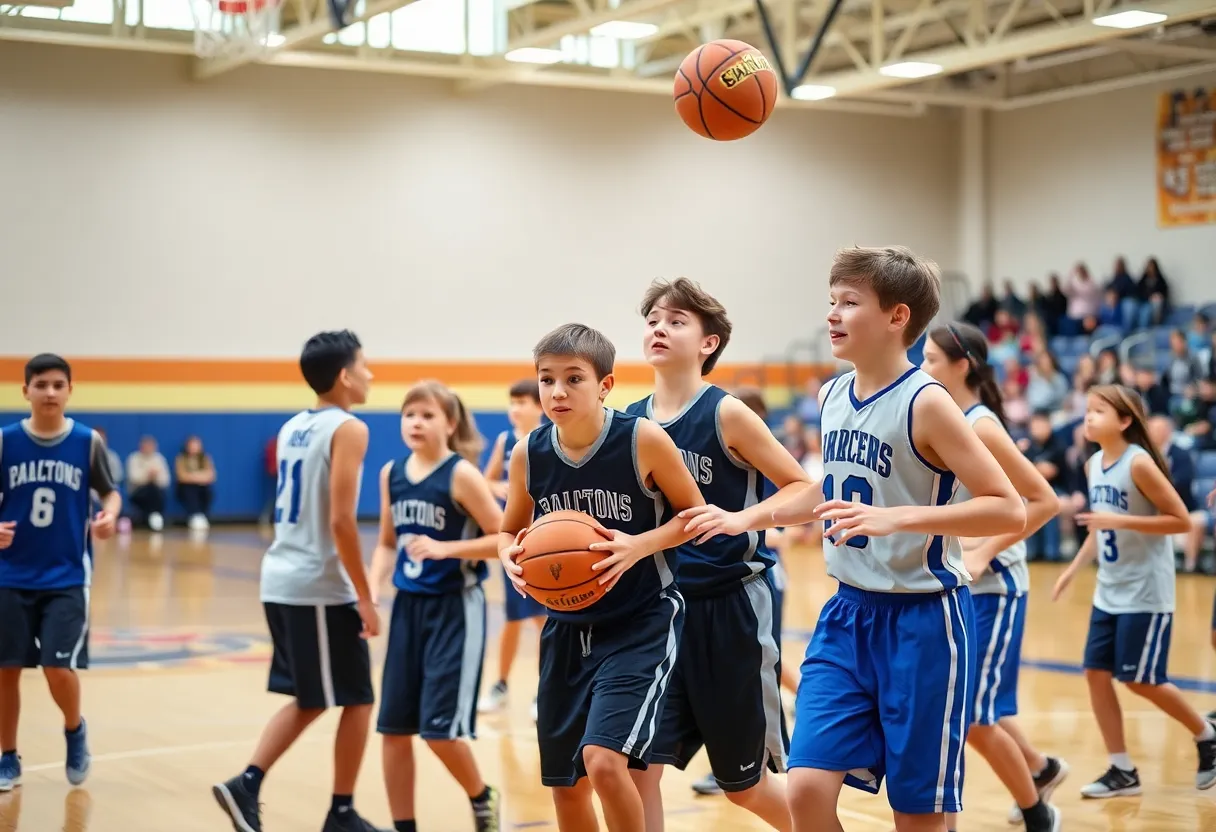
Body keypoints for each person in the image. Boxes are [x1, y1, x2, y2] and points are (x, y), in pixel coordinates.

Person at [762, 246, 1028, 832]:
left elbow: (1007, 506)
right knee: (804, 789)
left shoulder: (926, 401)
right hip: (846, 614)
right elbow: (824, 491)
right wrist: (744, 518)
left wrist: (900, 517)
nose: (832, 315)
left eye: (849, 303)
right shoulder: (831, 395)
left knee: (918, 814)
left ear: (897, 316)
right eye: (831, 301)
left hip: (925, 623)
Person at [496, 323, 706, 832]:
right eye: (547, 380)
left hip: (641, 622)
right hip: (567, 629)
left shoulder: (642, 440)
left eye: (574, 379)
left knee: (605, 762)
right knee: (566, 791)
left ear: (605, 386)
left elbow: (694, 515)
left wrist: (639, 545)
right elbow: (508, 530)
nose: (557, 392)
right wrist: (510, 558)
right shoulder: (530, 453)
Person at [624, 278, 812, 830]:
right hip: (657, 612)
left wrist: (741, 518)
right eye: (654, 318)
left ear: (708, 343)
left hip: (729, 608)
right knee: (640, 769)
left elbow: (805, 488)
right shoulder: (630, 421)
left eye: (676, 320)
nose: (659, 326)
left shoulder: (727, 413)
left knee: (745, 787)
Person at [212, 330, 388, 832]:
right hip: (315, 582)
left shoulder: (294, 426)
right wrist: (365, 595)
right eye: (365, 365)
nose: (371, 375)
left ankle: (297, 798)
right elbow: (341, 521)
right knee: (353, 698)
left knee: (329, 696)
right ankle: (314, 803)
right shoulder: (349, 428)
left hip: (283, 576)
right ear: (345, 376)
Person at [922, 323, 1065, 832]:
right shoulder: (940, 417)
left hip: (996, 587)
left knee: (973, 717)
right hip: (956, 586)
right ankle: (1041, 771)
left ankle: (1038, 812)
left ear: (962, 366)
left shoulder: (980, 425)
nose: (923, 368)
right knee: (968, 711)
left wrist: (983, 552)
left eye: (933, 360)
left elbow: (1045, 501)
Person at [1052, 384, 1216, 798]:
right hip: (1110, 589)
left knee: (1142, 680)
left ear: (1125, 421)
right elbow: (1098, 525)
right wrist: (1073, 569)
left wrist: (1124, 523)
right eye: (1087, 410)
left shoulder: (1139, 462)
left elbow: (1179, 520)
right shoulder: (1092, 466)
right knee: (1095, 673)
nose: (1088, 418)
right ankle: (1121, 769)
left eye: (1099, 411)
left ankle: (1206, 734)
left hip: (1146, 591)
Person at [368, 381, 504, 832]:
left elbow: (504, 538)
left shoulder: (461, 474)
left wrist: (447, 550)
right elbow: (388, 543)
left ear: (449, 423)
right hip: (408, 608)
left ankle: (482, 795)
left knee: (439, 731)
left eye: (427, 415)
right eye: (409, 414)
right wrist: (371, 591)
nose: (416, 423)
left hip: (456, 609)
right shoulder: (392, 473)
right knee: (392, 729)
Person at [0, 354, 120, 793]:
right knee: (5, 671)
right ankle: (8, 756)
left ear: (70, 389)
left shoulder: (87, 442)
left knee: (57, 666)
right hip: (10, 574)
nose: (49, 392)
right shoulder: (5, 442)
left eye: (57, 384)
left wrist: (108, 515)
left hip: (67, 576)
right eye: (41, 384)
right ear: (25, 391)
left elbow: (110, 493)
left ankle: (74, 730)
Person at [478, 379, 546, 722]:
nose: (515, 409)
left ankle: (542, 692)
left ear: (539, 406)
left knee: (543, 621)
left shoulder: (550, 438)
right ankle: (500, 686)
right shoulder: (506, 440)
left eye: (522, 402)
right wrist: (497, 485)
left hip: (545, 544)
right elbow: (484, 480)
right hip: (514, 543)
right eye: (512, 402)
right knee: (512, 620)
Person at [126, 435, 170, 531]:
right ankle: (152, 517)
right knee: (150, 489)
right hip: (138, 492)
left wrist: (155, 478)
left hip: (157, 490)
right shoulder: (134, 458)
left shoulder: (159, 459)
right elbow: (133, 478)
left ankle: (154, 516)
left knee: (154, 490)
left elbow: (166, 480)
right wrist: (148, 476)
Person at [175, 435, 216, 531]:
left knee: (207, 490)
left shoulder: (205, 458)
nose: (194, 448)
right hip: (185, 488)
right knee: (190, 489)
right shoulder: (181, 459)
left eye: (196, 445)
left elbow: (211, 475)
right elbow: (181, 476)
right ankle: (194, 515)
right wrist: (199, 476)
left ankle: (202, 515)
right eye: (192, 445)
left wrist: (193, 476)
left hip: (202, 487)